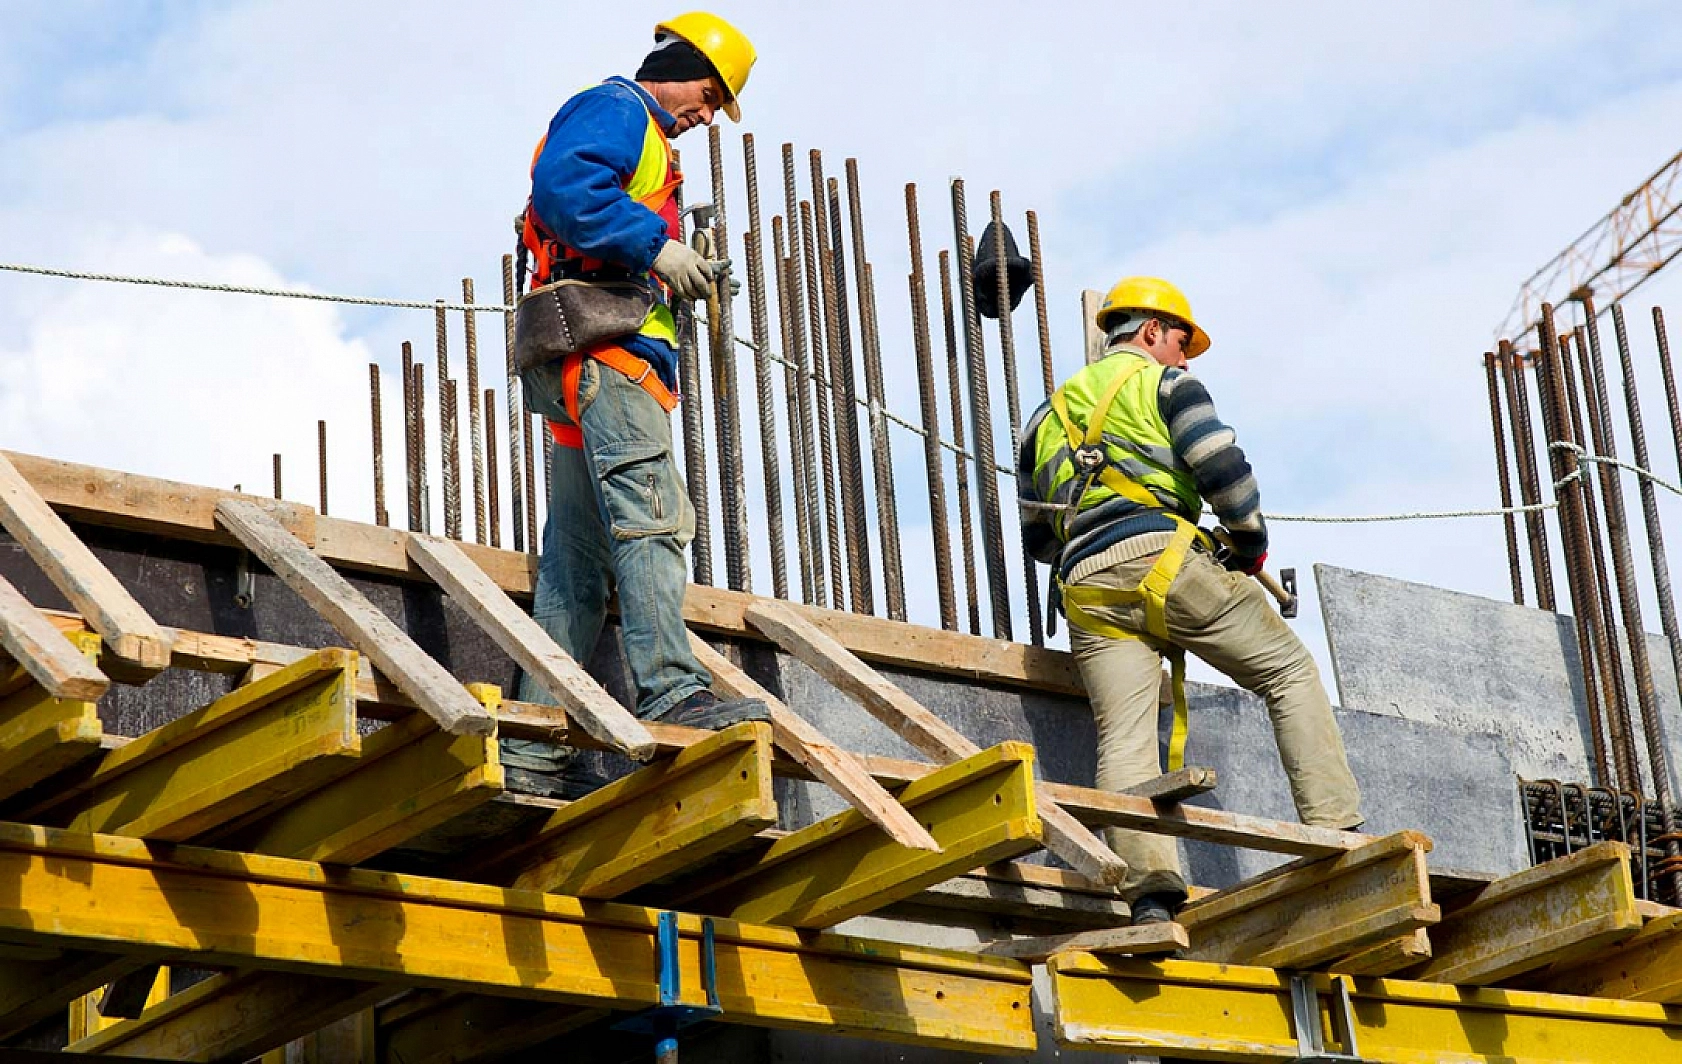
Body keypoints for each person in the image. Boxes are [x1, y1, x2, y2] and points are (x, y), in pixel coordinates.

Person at [1018, 276, 1363, 924]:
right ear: (1150, 332)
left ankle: (1149, 894)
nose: (1184, 357)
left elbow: (1038, 536)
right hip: (1167, 562)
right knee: (1288, 672)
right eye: (1180, 342)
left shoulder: (1044, 417)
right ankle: (1339, 833)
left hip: (1087, 588)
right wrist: (1250, 545)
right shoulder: (1166, 385)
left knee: (1123, 736)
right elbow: (1222, 467)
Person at [509, 13, 766, 796]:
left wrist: (666, 260)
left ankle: (533, 746)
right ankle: (672, 690)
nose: (707, 114)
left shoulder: (647, 138)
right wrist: (657, 248)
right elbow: (565, 189)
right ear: (678, 65)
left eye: (720, 106)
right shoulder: (620, 109)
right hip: (608, 358)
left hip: (584, 361)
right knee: (655, 519)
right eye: (709, 93)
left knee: (576, 568)